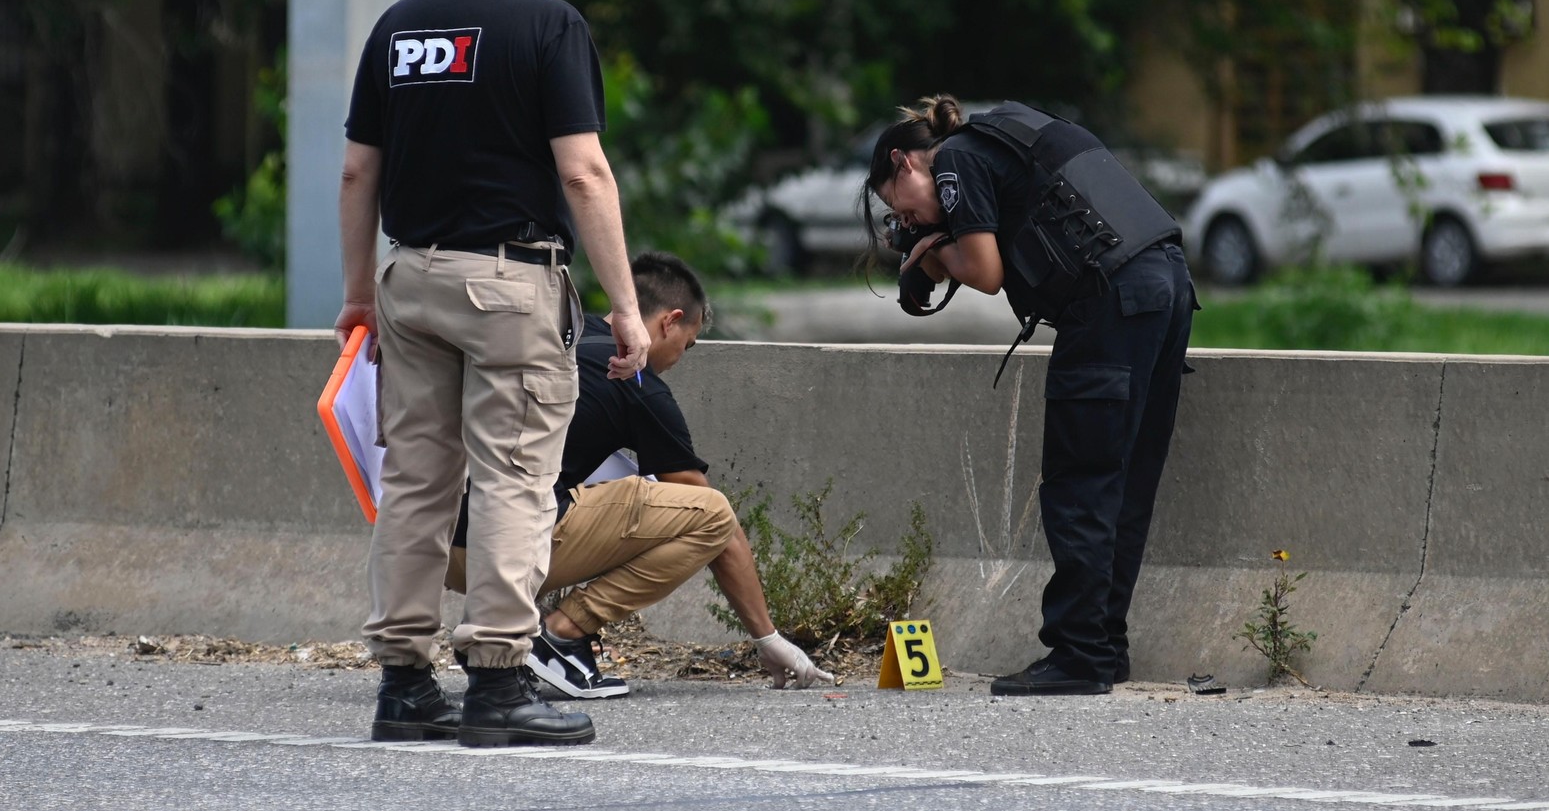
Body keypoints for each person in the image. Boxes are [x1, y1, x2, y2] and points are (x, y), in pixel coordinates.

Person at [336, 0, 650, 748]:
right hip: (508, 284)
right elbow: (583, 173)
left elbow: (358, 171)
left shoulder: (399, 26)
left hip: (409, 277)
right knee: (513, 475)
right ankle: (499, 680)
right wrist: (625, 306)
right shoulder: (549, 26)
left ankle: (403, 684)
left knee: (415, 481)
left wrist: (359, 292)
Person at [862, 94, 1195, 696]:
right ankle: (1104, 647)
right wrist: (936, 244)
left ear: (903, 163)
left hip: (1110, 300)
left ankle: (1080, 657)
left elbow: (986, 273)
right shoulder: (999, 139)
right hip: (1165, 282)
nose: (907, 220)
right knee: (1125, 479)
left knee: (1080, 481)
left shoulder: (954, 162)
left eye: (897, 206)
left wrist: (930, 248)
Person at [446, 251, 835, 698]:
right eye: (685, 344)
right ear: (669, 322)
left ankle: (496, 629)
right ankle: (560, 635)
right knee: (707, 511)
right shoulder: (637, 382)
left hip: (450, 544)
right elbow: (715, 523)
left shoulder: (563, 335)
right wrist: (768, 638)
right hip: (510, 544)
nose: (678, 358)